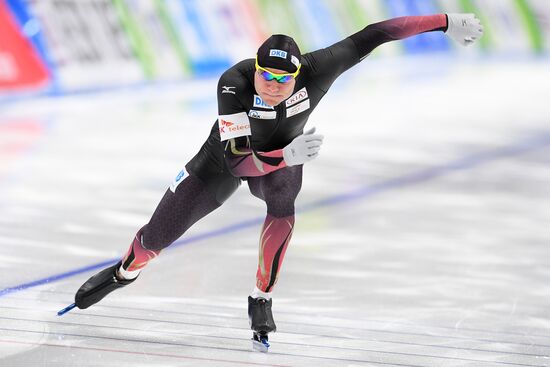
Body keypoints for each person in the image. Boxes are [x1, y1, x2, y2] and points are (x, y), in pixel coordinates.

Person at [70, 13, 483, 351]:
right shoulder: (233, 83)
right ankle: (124, 273)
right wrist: (284, 154)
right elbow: (236, 164)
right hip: (221, 163)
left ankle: (261, 297)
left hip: (283, 162)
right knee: (154, 241)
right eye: (266, 76)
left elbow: (375, 33)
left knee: (283, 203)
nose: (272, 86)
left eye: (284, 81)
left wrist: (444, 21)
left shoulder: (320, 68)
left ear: (299, 74)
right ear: (256, 68)